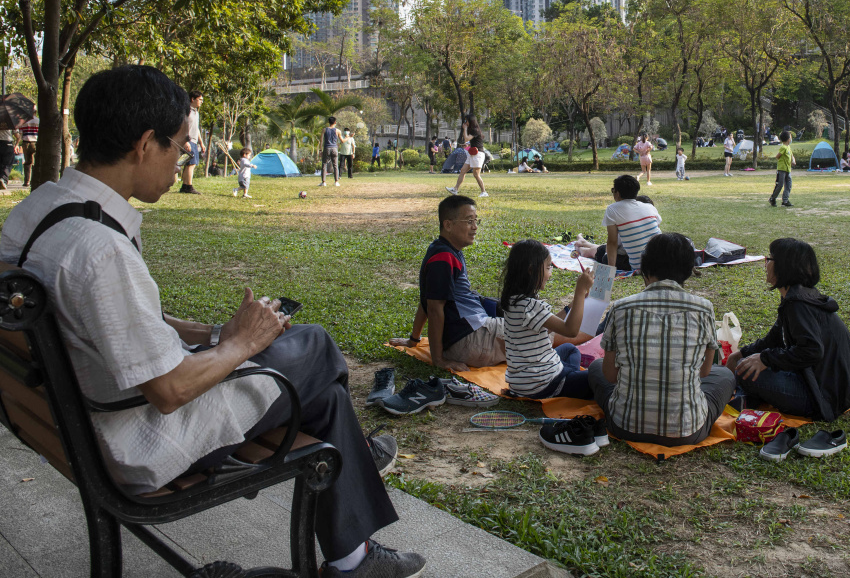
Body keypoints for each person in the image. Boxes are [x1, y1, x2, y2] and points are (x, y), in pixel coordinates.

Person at [0, 65, 421, 578]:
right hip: (134, 440)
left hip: (63, 421)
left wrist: (219, 335)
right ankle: (359, 469)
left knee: (326, 400)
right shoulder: (99, 249)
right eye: (180, 148)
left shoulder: (40, 209)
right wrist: (240, 346)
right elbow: (170, 390)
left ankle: (354, 555)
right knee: (314, 346)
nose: (183, 160)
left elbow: (125, 322)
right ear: (145, 144)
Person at [587, 232, 736, 446]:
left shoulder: (621, 307)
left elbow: (610, 375)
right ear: (688, 271)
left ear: (645, 268)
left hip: (624, 425)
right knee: (724, 374)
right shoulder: (704, 308)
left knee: (596, 367)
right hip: (687, 430)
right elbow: (704, 372)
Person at [728, 238, 850, 419]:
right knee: (746, 364)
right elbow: (775, 338)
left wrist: (765, 359)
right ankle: (748, 396)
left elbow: (812, 351)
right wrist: (741, 354)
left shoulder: (797, 304)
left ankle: (746, 397)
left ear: (784, 266)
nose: (766, 264)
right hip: (823, 386)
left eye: (769, 259)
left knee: (745, 371)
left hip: (822, 397)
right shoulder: (797, 296)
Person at [390, 195, 504, 371]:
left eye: (476, 221)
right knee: (539, 329)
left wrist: (414, 340)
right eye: (469, 221)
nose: (475, 227)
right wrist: (438, 360)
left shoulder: (444, 249)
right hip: (470, 339)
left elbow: (426, 300)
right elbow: (434, 309)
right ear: (448, 225)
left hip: (468, 335)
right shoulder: (444, 257)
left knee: (529, 318)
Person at [500, 239, 595, 400]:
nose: (550, 273)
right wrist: (579, 292)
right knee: (598, 374)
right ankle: (569, 382)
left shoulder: (514, 301)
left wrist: (570, 306)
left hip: (522, 383)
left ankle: (571, 377)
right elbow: (571, 331)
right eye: (548, 267)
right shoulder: (530, 306)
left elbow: (547, 326)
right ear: (532, 270)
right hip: (543, 384)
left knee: (569, 349)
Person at [572, 175, 662, 272]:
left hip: (640, 267)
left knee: (605, 257)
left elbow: (612, 242)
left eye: (613, 190)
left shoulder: (613, 209)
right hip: (660, 262)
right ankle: (584, 244)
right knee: (607, 250)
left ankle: (583, 250)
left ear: (617, 193)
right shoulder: (649, 207)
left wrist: (610, 270)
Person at [179, 91, 205, 194]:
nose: (201, 102)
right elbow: (182, 126)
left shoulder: (196, 112)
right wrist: (185, 141)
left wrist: (201, 143)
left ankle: (185, 186)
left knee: (190, 164)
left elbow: (196, 129)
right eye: (200, 99)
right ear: (192, 99)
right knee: (191, 164)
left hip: (194, 141)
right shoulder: (186, 111)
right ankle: (189, 186)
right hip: (188, 141)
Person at [768, 131, 796, 208]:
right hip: (781, 169)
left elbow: (791, 155)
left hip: (788, 169)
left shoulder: (788, 147)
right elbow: (777, 156)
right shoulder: (783, 147)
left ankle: (785, 201)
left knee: (788, 185)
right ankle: (772, 199)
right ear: (788, 139)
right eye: (790, 137)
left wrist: (793, 161)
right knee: (780, 185)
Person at [319, 116, 343, 188]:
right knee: (335, 165)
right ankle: (336, 182)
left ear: (329, 122)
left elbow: (321, 141)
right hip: (334, 148)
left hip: (327, 148)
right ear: (335, 122)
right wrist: (348, 137)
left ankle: (323, 182)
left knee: (324, 164)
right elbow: (342, 141)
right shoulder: (338, 131)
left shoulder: (324, 130)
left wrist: (320, 150)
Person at [19, 110, 38, 187]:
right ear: (35, 112)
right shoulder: (38, 121)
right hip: (35, 143)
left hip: (26, 142)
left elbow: (20, 133)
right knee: (35, 162)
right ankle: (34, 180)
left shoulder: (24, 121)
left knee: (27, 162)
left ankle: (26, 181)